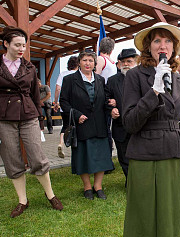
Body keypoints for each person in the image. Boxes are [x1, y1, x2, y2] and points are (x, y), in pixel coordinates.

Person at [122, 22, 180, 237]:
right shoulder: (135, 75)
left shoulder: (178, 78)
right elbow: (130, 122)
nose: (163, 45)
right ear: (148, 46)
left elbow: (174, 120)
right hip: (144, 153)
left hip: (172, 152)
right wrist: (154, 92)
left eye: (168, 41)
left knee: (169, 214)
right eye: (157, 40)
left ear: (174, 47)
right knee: (143, 214)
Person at [0, 26, 63, 218]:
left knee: (38, 157)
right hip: (2, 118)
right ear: (6, 44)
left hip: (28, 116)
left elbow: (36, 96)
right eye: (17, 45)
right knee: (12, 160)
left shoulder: (30, 67)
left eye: (24, 46)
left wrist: (40, 121)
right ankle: (22, 201)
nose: (21, 49)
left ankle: (50, 195)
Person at [60, 50, 113, 200]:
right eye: (85, 60)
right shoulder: (70, 80)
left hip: (99, 124)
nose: (88, 63)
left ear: (95, 63)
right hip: (82, 124)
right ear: (79, 62)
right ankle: (87, 186)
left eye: (91, 60)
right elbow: (64, 101)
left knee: (101, 157)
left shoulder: (101, 80)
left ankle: (98, 186)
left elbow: (104, 100)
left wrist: (112, 105)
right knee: (83, 156)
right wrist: (76, 115)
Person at [105, 48, 138, 187]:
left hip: (139, 126)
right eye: (123, 61)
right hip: (120, 126)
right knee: (123, 156)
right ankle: (129, 181)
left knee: (138, 156)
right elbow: (105, 99)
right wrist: (111, 109)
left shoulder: (143, 78)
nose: (126, 64)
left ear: (136, 62)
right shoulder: (112, 81)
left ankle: (138, 181)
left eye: (129, 61)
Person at [95, 37, 117, 165]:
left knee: (103, 129)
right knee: (107, 129)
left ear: (99, 47)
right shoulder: (112, 63)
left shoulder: (100, 59)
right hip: (109, 99)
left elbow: (97, 78)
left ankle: (105, 159)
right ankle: (107, 157)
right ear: (112, 49)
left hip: (101, 99)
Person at [54, 56, 78, 158]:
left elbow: (58, 88)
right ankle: (75, 146)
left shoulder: (63, 74)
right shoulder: (78, 75)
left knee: (65, 126)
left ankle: (61, 143)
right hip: (76, 106)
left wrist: (56, 102)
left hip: (65, 106)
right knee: (76, 126)